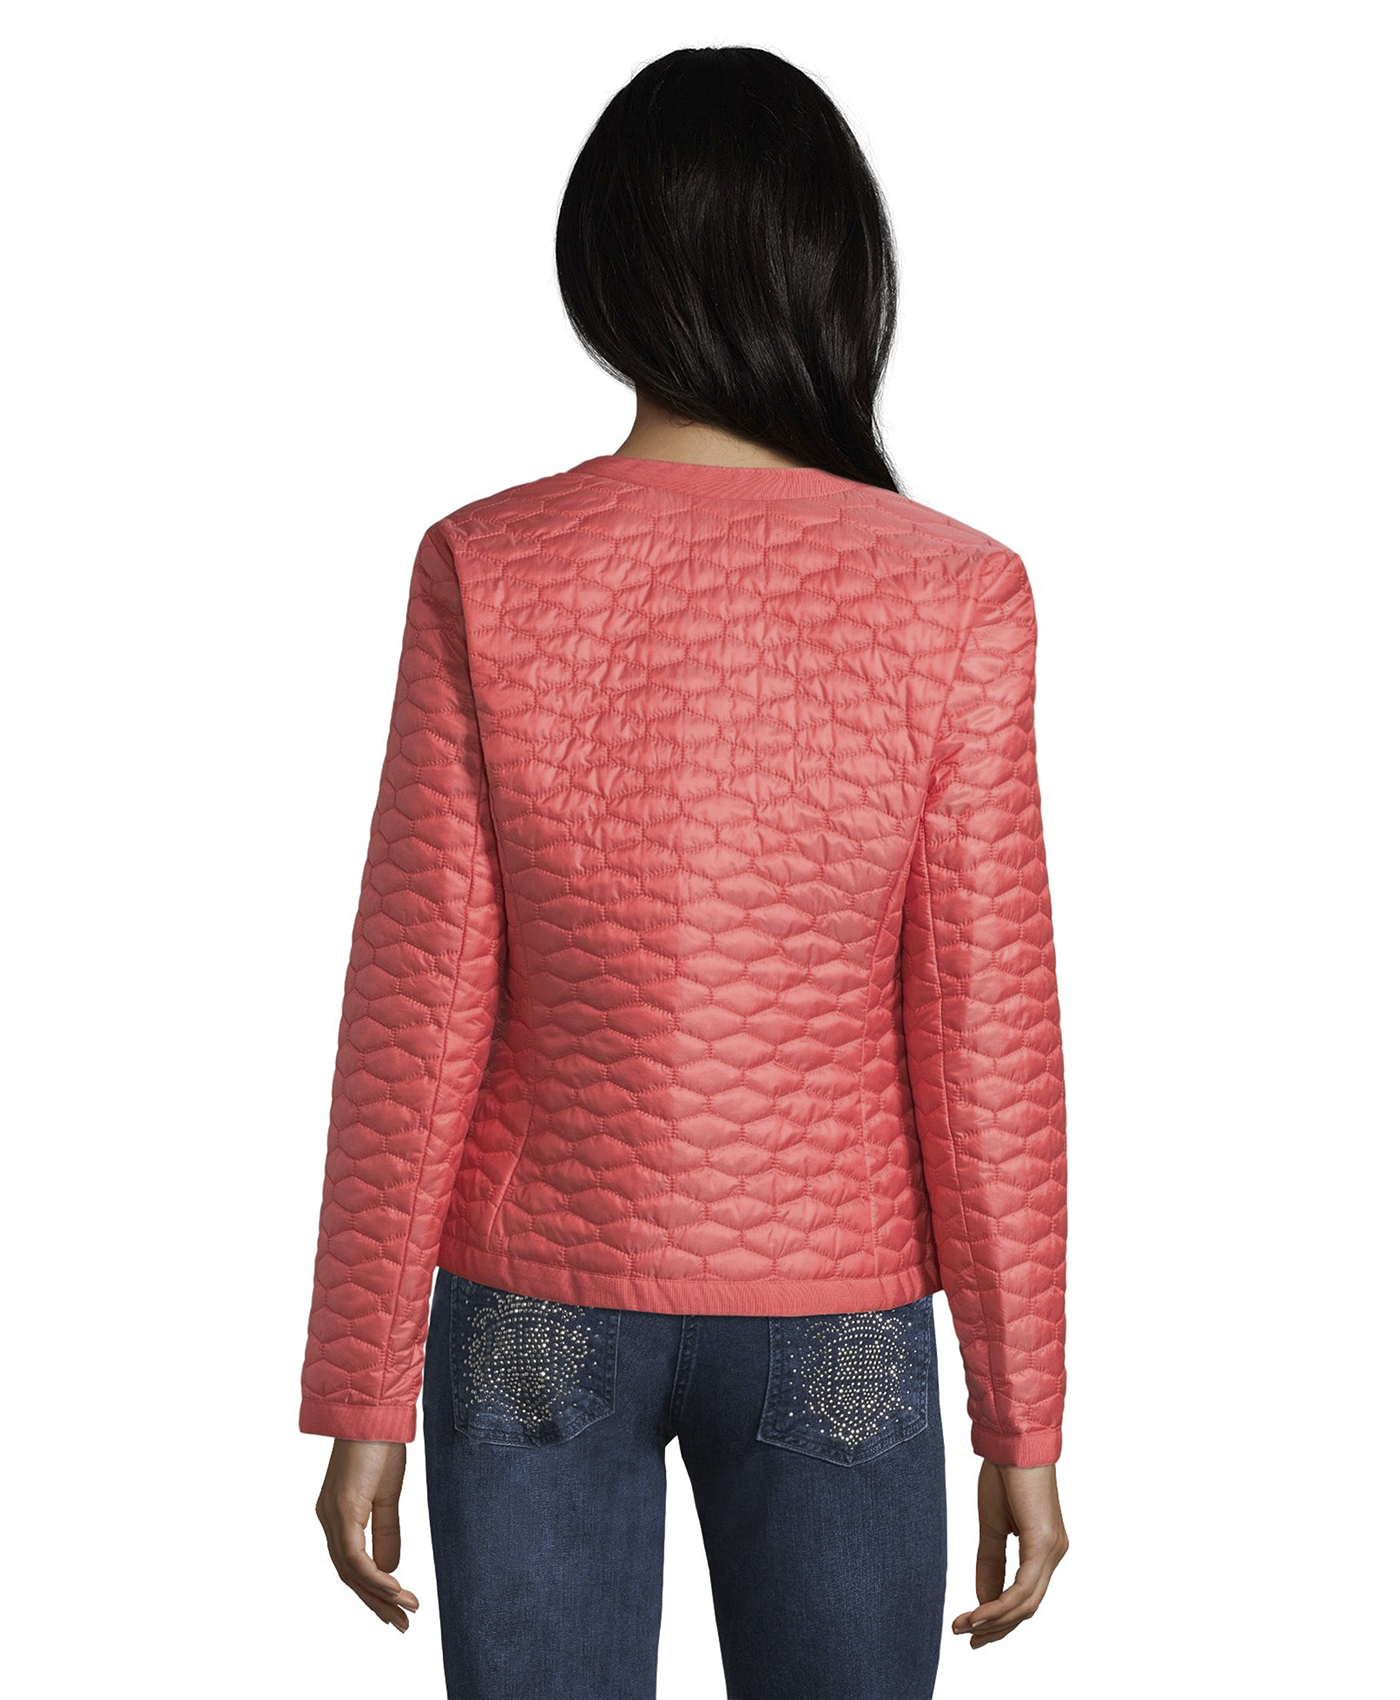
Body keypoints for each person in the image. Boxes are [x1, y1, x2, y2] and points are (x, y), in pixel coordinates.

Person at [299, 43, 1069, 1700]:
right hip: (836, 1317)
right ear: (836, 269)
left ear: (605, 267)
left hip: (532, 1306)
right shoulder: (957, 594)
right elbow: (984, 1038)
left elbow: (420, 1001)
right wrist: (1022, 1417)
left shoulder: (486, 565)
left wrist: (361, 1382)